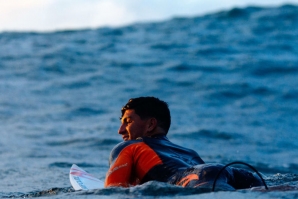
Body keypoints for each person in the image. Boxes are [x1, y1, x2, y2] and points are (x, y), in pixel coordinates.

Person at [104, 97, 264, 190]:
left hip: (195, 177)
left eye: (128, 121)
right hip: (226, 170)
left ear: (151, 124)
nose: (121, 130)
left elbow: (115, 191)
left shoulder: (129, 147)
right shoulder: (189, 152)